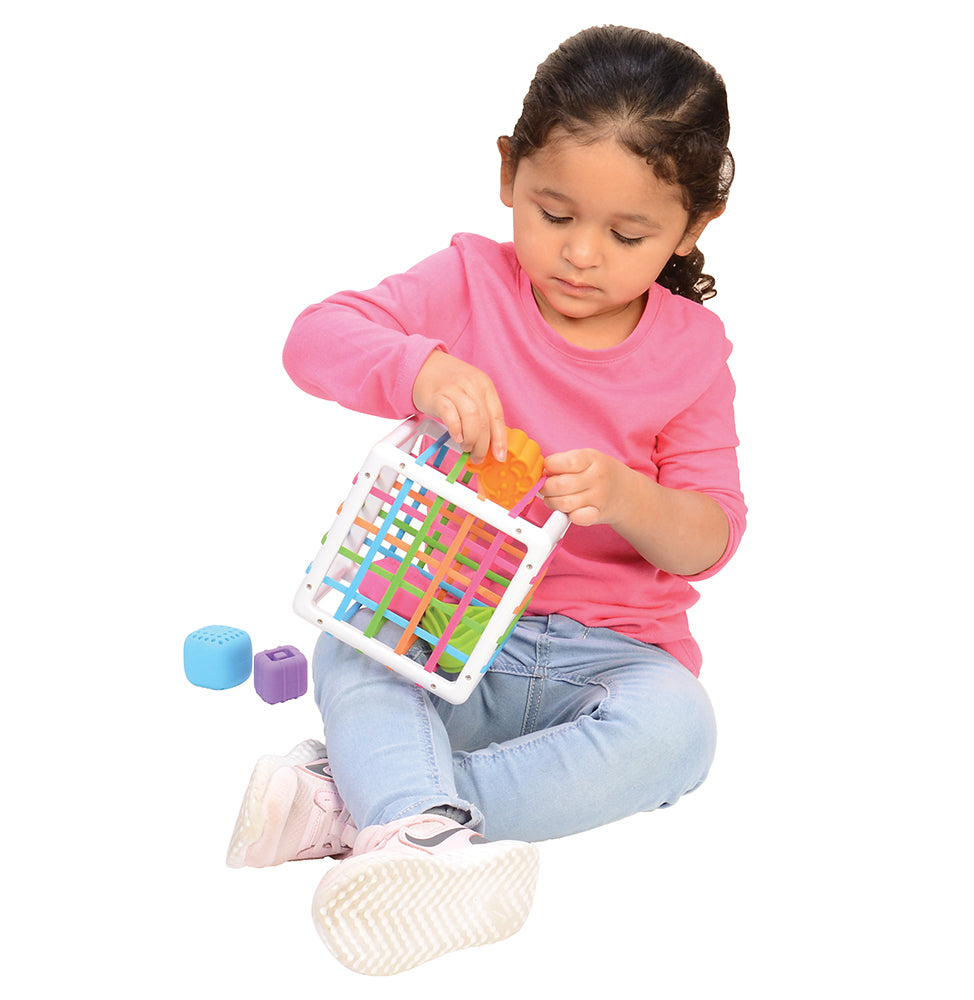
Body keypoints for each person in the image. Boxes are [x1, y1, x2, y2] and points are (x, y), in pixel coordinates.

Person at [227, 24, 745, 976]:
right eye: (554, 214)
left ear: (693, 227)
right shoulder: (469, 283)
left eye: (628, 235)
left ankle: (373, 810)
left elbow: (708, 537)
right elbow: (314, 338)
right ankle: (410, 821)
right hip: (446, 622)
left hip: (608, 660)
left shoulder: (691, 357)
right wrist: (416, 367)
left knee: (683, 733)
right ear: (508, 173)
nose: (582, 255)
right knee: (353, 644)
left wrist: (631, 497)